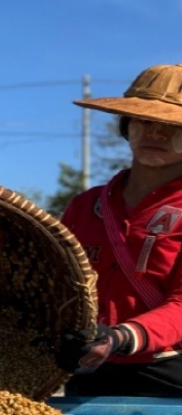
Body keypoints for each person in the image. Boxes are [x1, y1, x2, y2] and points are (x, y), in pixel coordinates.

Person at [56, 63, 182, 397]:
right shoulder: (85, 205)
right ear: (126, 126)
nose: (155, 134)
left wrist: (119, 337)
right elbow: (57, 285)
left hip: (168, 371)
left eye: (171, 126)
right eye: (144, 121)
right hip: (90, 369)